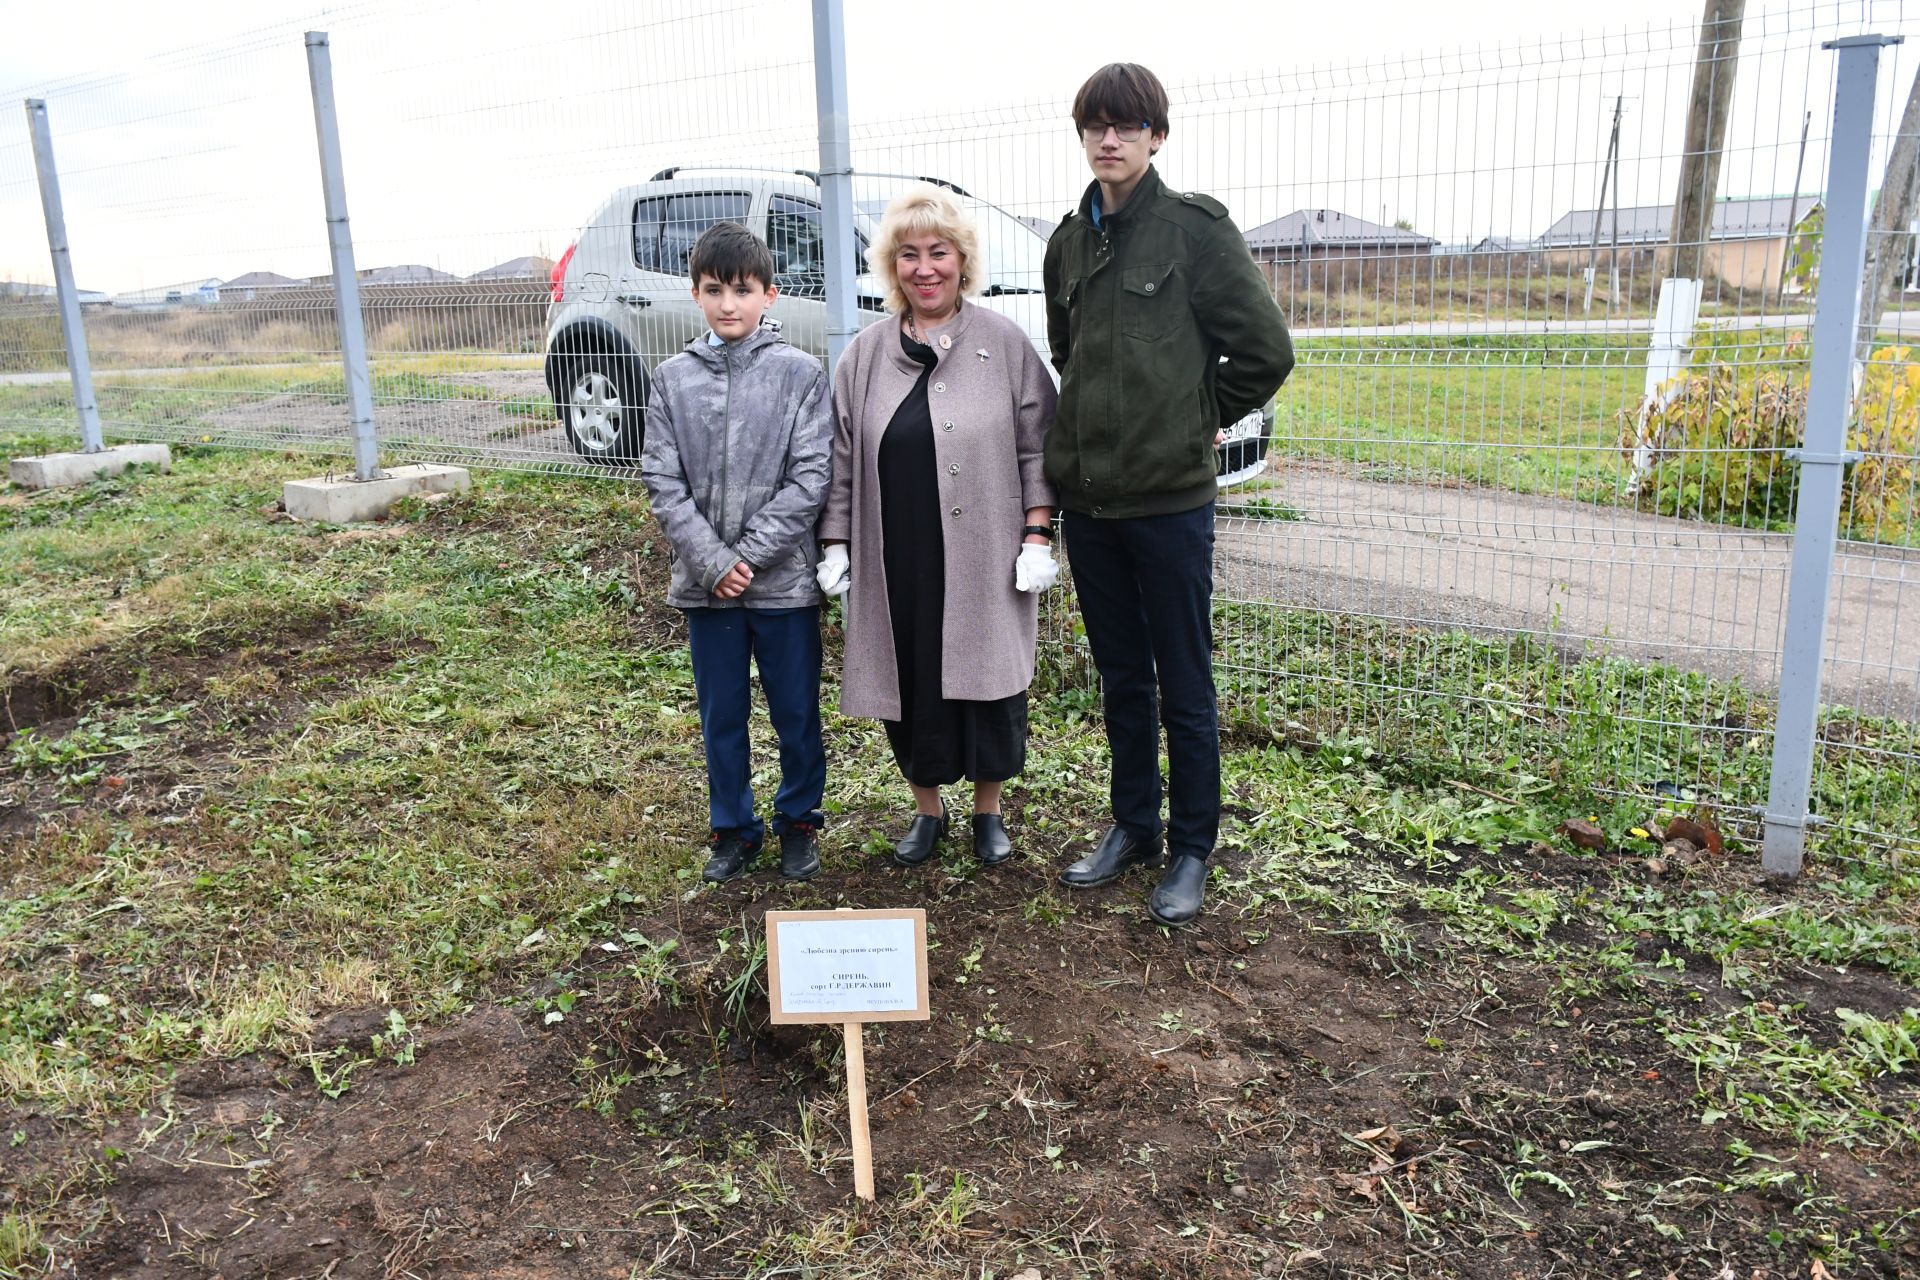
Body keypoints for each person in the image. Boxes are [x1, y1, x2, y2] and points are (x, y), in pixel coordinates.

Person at [1043, 63, 1294, 925]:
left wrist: (1195, 421)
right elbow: (1070, 353)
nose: (1108, 140)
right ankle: (1133, 827)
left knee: (1183, 682)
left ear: (1157, 136)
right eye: (1095, 126)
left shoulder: (1195, 233)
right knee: (1120, 679)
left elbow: (1265, 353)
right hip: (1091, 505)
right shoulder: (1067, 243)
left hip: (1171, 505)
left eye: (1127, 125)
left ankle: (1192, 848)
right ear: (1082, 135)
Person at [818, 184, 1059, 869]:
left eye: (939, 253)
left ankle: (988, 812)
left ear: (963, 260)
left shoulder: (1005, 344)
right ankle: (927, 809)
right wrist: (835, 542)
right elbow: (840, 455)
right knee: (910, 678)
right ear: (892, 267)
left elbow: (1036, 444)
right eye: (910, 255)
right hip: (899, 555)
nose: (926, 268)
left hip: (986, 553)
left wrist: (1036, 534)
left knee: (989, 685)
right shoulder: (863, 355)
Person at [640, 221, 834, 884]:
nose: (729, 304)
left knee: (795, 711)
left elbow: (812, 477)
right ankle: (733, 828)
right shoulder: (671, 380)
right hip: (708, 589)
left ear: (769, 295)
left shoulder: (801, 376)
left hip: (784, 587)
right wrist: (713, 562)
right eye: (715, 289)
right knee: (723, 714)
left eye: (743, 290)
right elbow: (662, 481)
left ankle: (799, 822)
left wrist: (748, 554)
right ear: (695, 294)